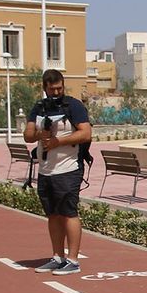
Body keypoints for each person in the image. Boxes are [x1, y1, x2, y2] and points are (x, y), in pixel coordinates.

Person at [24, 69, 92, 275]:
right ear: (44, 88)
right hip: (45, 171)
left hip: (68, 169)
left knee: (68, 213)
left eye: (59, 88)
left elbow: (86, 133)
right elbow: (28, 135)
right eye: (52, 89)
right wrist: (41, 133)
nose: (56, 92)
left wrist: (58, 141)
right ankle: (57, 257)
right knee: (53, 215)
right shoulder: (39, 107)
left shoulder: (73, 106)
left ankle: (73, 260)